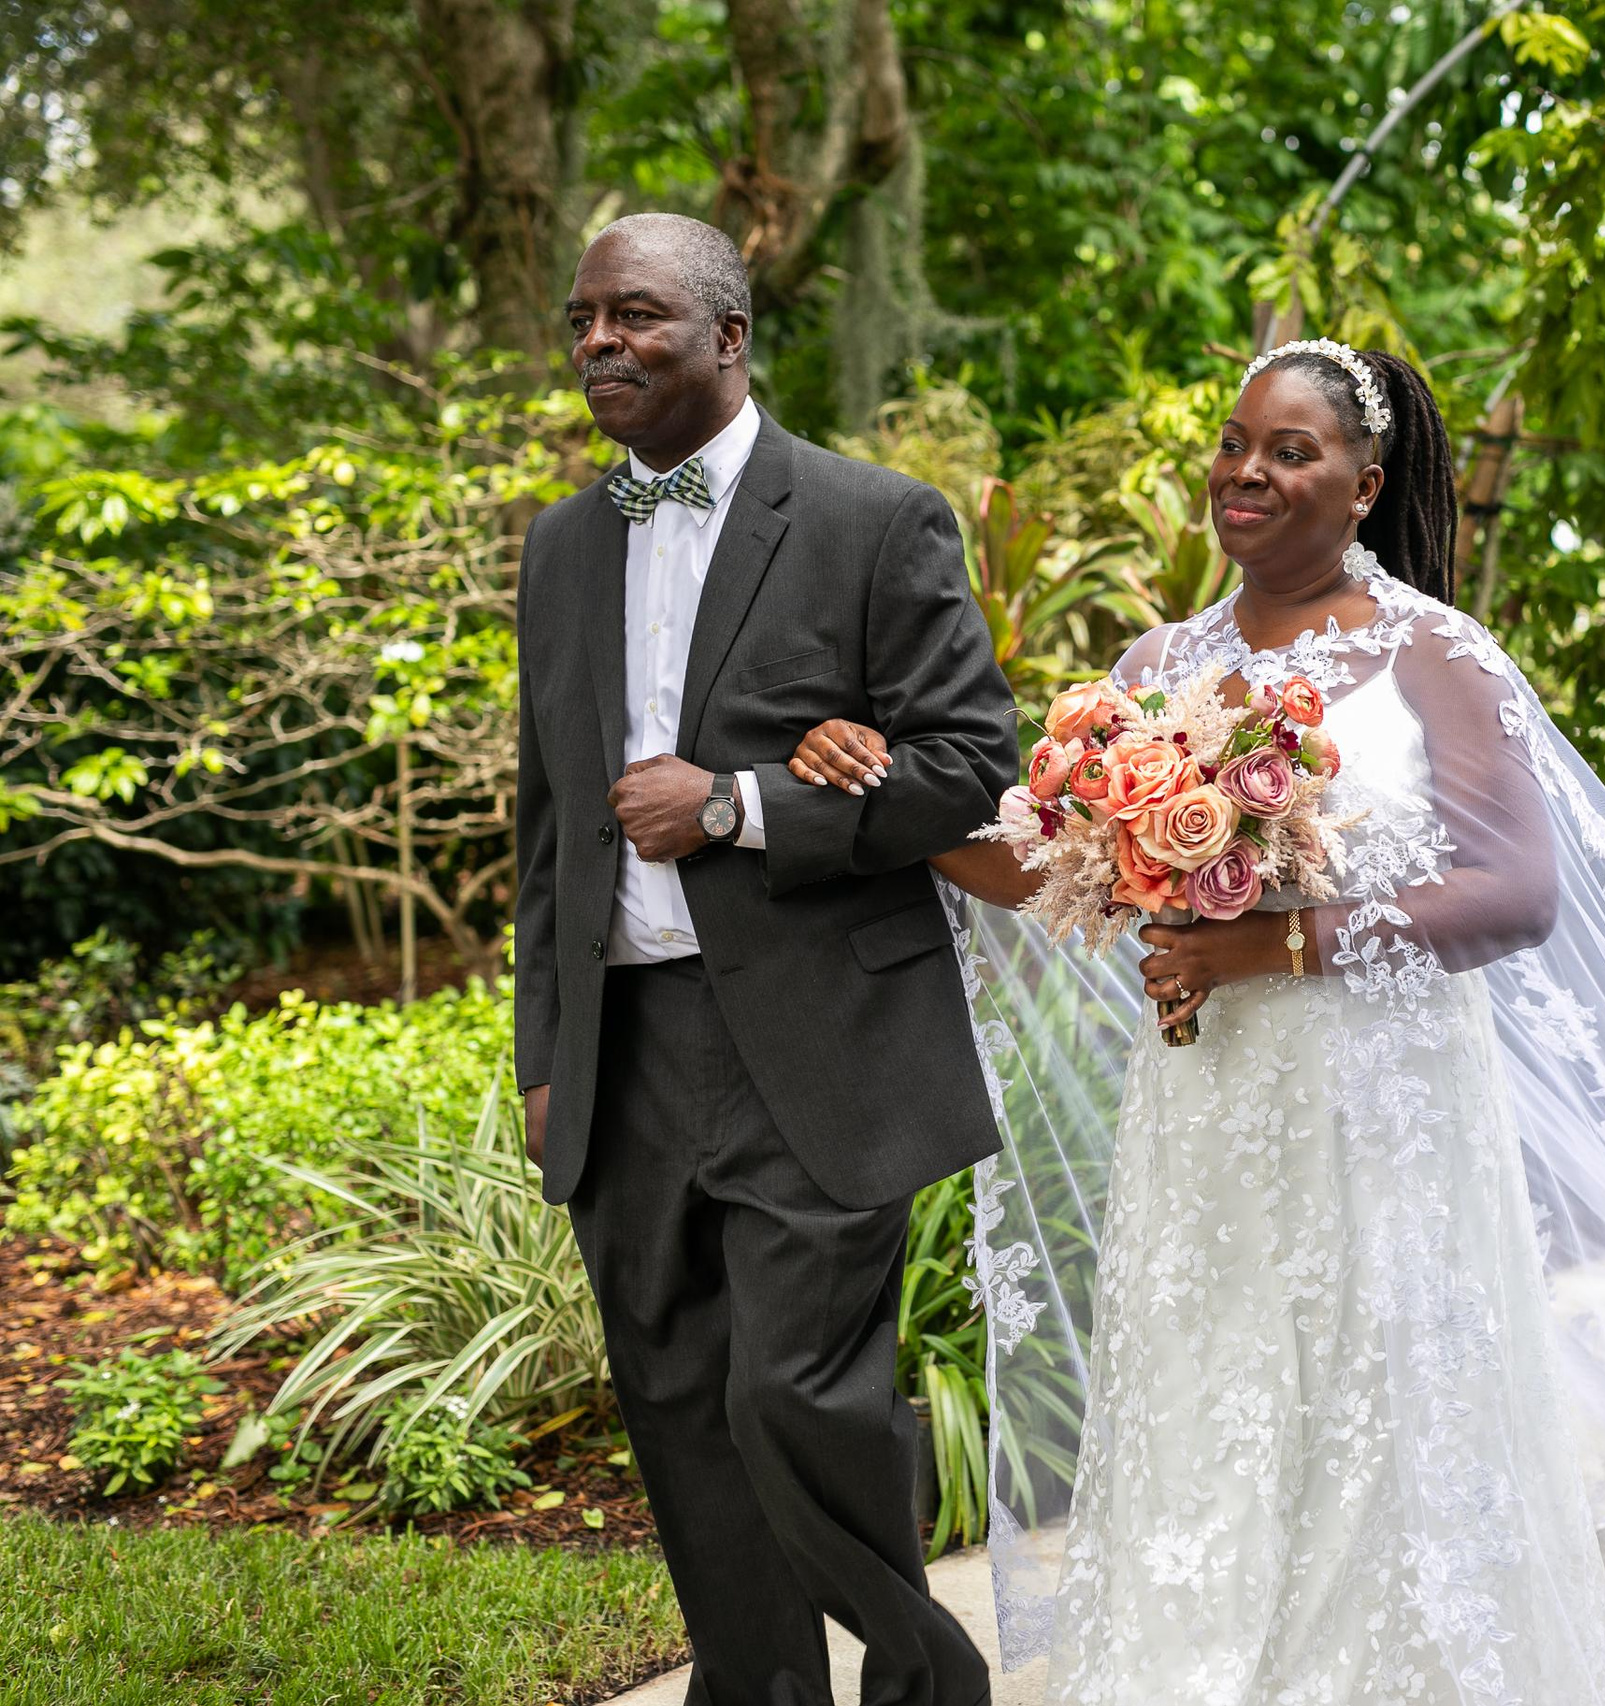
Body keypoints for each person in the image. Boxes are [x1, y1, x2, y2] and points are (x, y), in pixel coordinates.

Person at [791, 342, 1605, 1704]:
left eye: (1291, 450)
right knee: (1214, 1412)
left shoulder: (1429, 652)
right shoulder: (1156, 665)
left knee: (1389, 1428)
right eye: (1236, 443)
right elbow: (1048, 865)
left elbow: (1514, 890)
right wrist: (882, 792)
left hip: (1386, 1116)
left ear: (1366, 482)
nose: (1248, 471)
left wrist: (1280, 940)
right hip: (1205, 1121)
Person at [513, 212, 1012, 1706]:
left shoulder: (872, 518)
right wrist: (546, 1054)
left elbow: (972, 762)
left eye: (639, 316)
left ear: (729, 338)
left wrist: (737, 805)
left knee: (791, 1389)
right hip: (629, 1047)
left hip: (817, 1042)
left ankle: (928, 1680)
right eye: (586, 317)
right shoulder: (560, 542)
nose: (602, 340)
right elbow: (546, 823)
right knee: (674, 1401)